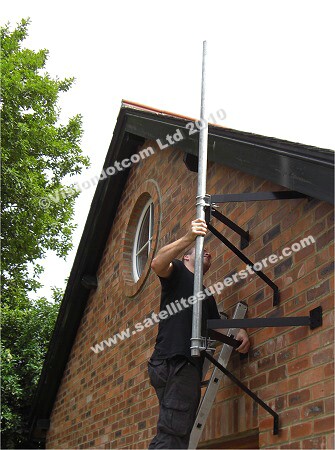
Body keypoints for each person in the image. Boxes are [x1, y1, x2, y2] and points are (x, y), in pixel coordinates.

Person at [148, 218, 250, 449]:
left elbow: (215, 326)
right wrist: (189, 237)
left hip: (169, 364)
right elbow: (156, 263)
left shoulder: (206, 295)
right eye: (202, 250)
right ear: (186, 256)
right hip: (178, 360)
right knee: (173, 434)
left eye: (211, 255)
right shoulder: (177, 273)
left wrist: (239, 331)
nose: (209, 254)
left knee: (176, 429)